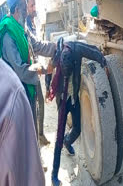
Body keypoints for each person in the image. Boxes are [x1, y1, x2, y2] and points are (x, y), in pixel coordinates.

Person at [49, 38, 108, 186]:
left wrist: (104, 62)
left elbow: (93, 50)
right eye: (64, 72)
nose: (66, 74)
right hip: (62, 99)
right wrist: (48, 87)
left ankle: (68, 142)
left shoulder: (77, 48)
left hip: (74, 97)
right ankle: (53, 175)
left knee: (78, 128)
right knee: (59, 135)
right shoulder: (58, 51)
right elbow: (50, 70)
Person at [0, 0, 56, 138]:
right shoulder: (8, 34)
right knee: (23, 136)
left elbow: (37, 45)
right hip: (16, 96)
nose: (28, 12)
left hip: (26, 90)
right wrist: (45, 69)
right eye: (25, 9)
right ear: (17, 9)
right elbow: (20, 70)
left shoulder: (21, 27)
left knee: (31, 129)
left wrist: (56, 48)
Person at [0, 58, 45, 186]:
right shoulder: (10, 92)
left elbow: (37, 45)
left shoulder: (24, 37)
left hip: (29, 88)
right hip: (25, 87)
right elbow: (21, 70)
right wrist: (42, 69)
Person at [25, 0, 50, 145]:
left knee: (40, 101)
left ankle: (40, 135)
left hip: (35, 69)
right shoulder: (23, 25)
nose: (34, 8)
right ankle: (36, 144)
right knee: (34, 106)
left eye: (34, 4)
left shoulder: (31, 22)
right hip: (28, 73)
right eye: (31, 4)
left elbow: (36, 45)